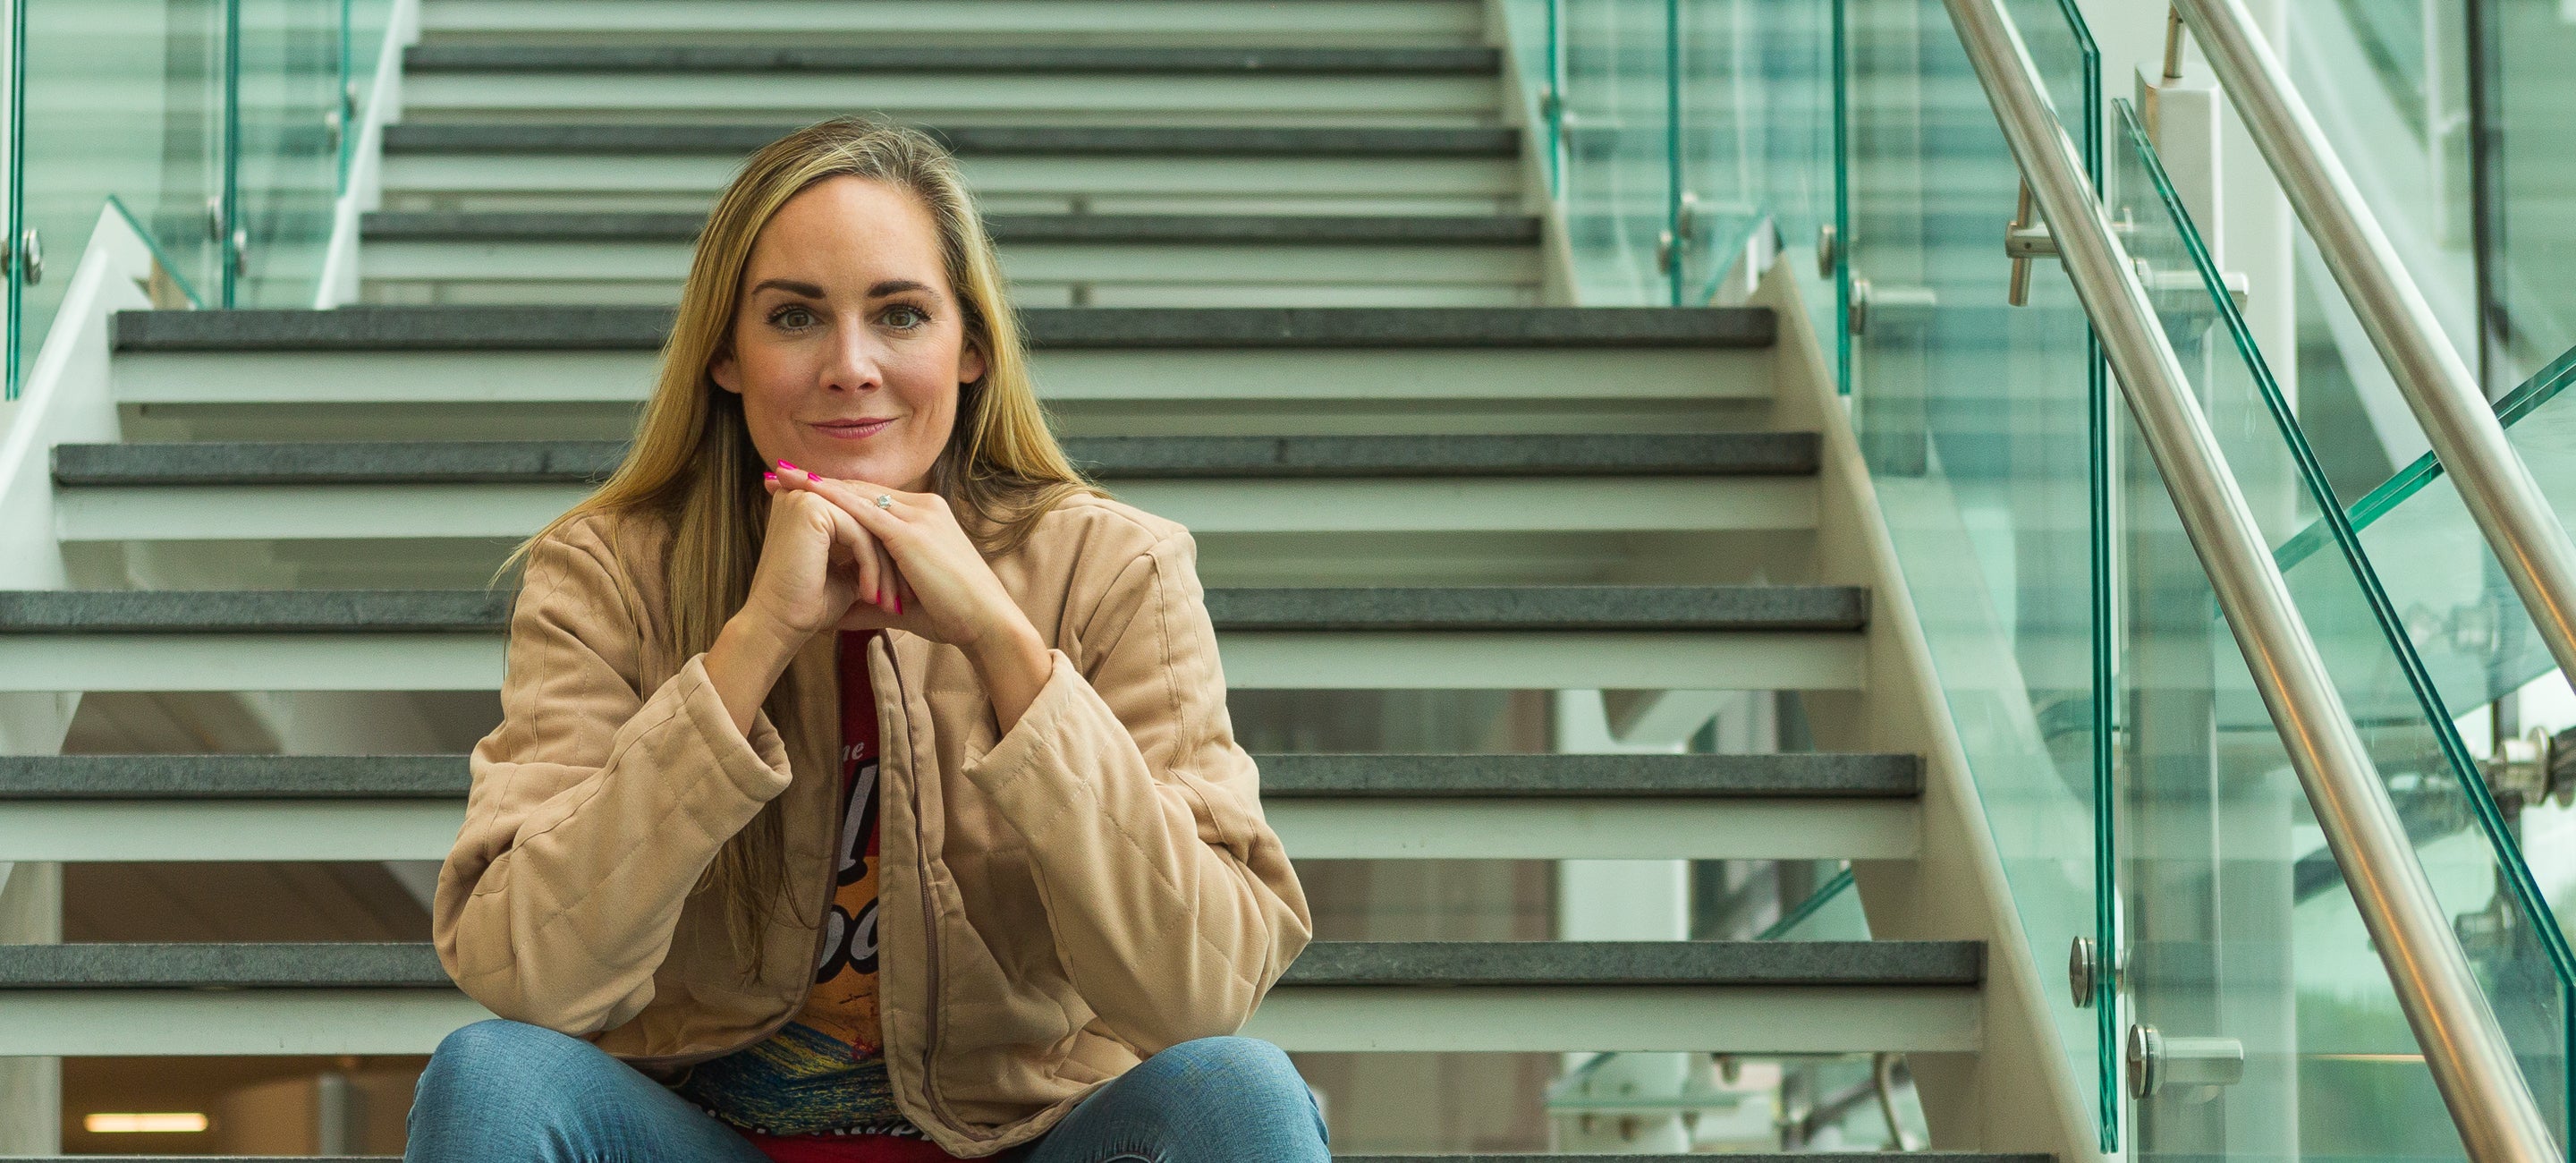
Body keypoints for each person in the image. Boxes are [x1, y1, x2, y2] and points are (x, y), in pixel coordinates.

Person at [404, 115, 1320, 1163]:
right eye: (794, 316)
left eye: (899, 314)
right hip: (702, 1137)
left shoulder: (1115, 569)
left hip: (1027, 1139)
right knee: (491, 1078)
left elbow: (1199, 995)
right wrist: (750, 645)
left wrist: (1002, 643)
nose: (850, 365)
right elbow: (531, 975)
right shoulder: (610, 572)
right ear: (726, 356)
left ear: (970, 345)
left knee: (1236, 1091)